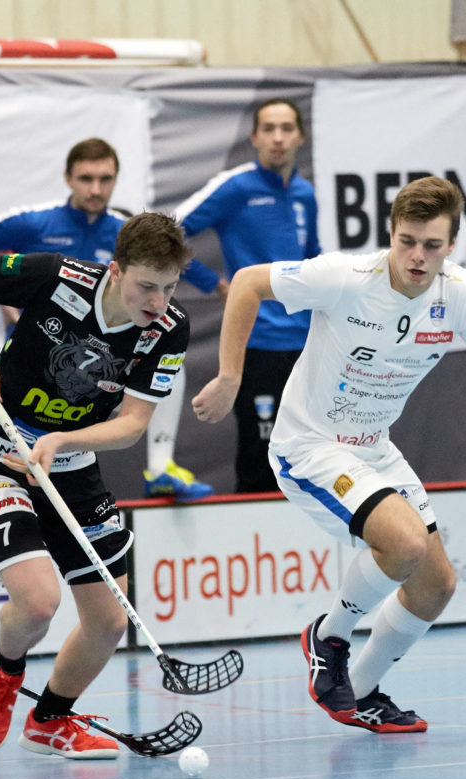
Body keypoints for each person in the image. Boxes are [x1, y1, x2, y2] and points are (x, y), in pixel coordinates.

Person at [193, 176, 466, 732]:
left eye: (433, 245)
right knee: (401, 544)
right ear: (390, 234)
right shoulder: (347, 278)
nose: (418, 257)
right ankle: (327, 635)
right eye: (407, 241)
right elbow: (250, 283)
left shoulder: (463, 295)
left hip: (375, 448)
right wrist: (231, 376)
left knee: (436, 584)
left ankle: (364, 692)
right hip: (311, 445)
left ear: (452, 246)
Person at [0, 211, 192, 758]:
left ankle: (50, 719)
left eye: (169, 287)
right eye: (147, 285)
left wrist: (64, 443)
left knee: (108, 621)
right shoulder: (58, 277)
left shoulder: (169, 328)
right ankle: (5, 674)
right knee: (37, 603)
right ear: (115, 268)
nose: (157, 301)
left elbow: (131, 425)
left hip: (70, 468)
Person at [0, 138, 212, 502]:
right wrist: (5, 314)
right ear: (68, 178)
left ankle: (161, 466)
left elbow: (179, 268)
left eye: (106, 180)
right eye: (87, 178)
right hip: (42, 348)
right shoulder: (36, 222)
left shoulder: (126, 229)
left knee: (166, 364)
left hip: (104, 361)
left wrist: (226, 286)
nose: (96, 189)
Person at [175, 98, 320, 493]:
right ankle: (259, 551)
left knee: (311, 456)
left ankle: (304, 550)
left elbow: (315, 262)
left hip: (307, 345)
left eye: (287, 128)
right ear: (254, 137)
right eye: (268, 128)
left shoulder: (305, 193)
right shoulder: (237, 186)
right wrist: (214, 284)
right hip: (255, 344)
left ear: (300, 137)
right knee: (261, 454)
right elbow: (165, 233)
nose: (278, 138)